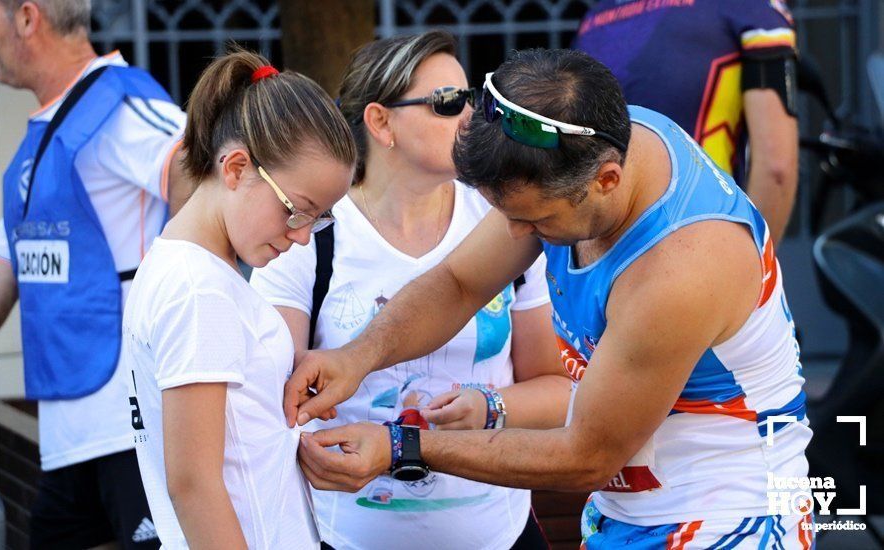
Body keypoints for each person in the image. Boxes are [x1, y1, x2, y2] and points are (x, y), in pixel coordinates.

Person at [288, 49, 815, 548]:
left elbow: (586, 454)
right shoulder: (575, 145)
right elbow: (458, 283)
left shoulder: (681, 269)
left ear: (607, 180)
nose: (516, 237)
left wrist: (400, 447)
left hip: (731, 517)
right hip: (629, 508)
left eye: (535, 221)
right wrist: (354, 357)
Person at [250, 31, 568, 550]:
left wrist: (492, 406)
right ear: (380, 122)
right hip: (346, 537)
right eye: (447, 104)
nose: (470, 118)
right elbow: (269, 399)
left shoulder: (504, 224)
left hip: (501, 536)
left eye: (473, 100)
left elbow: (558, 389)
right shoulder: (313, 237)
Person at [122, 48, 356, 549]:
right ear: (235, 168)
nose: (302, 237)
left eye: (320, 220)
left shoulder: (187, 267)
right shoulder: (198, 289)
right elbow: (195, 486)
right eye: (298, 210)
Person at [0, 1, 186, 546]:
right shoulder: (40, 139)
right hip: (67, 436)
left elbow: (211, 176)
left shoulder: (120, 103)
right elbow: (6, 269)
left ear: (27, 17)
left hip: (136, 428)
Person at [572, 0, 799, 244]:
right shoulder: (751, 9)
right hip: (701, 232)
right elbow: (777, 169)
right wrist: (754, 267)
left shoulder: (595, 19)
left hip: (597, 246)